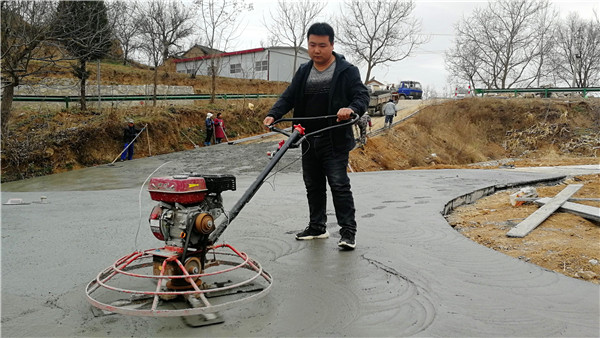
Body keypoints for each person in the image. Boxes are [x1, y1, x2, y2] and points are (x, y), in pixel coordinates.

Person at [262, 22, 369, 250]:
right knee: (313, 185)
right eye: (312, 45)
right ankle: (317, 227)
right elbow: (288, 97)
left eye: (322, 45)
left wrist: (351, 109)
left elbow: (361, 95)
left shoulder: (347, 71)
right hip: (307, 138)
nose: (316, 50)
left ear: (332, 45)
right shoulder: (304, 71)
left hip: (334, 138)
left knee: (339, 185)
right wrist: (273, 114)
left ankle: (348, 232)